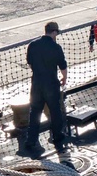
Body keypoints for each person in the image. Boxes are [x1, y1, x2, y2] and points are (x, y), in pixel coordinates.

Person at [24, 21, 68, 155]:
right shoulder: (56, 47)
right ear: (54, 32)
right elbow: (63, 66)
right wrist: (64, 78)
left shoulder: (33, 45)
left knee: (35, 113)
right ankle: (58, 138)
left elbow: (30, 63)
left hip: (36, 83)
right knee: (55, 112)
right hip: (51, 84)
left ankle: (31, 141)